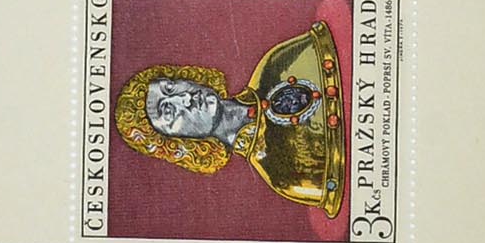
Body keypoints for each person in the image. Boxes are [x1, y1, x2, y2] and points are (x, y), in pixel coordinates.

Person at [114, 22, 345, 215]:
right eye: (169, 112)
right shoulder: (284, 176)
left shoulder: (275, 63)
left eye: (171, 87)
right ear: (180, 142)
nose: (185, 98)